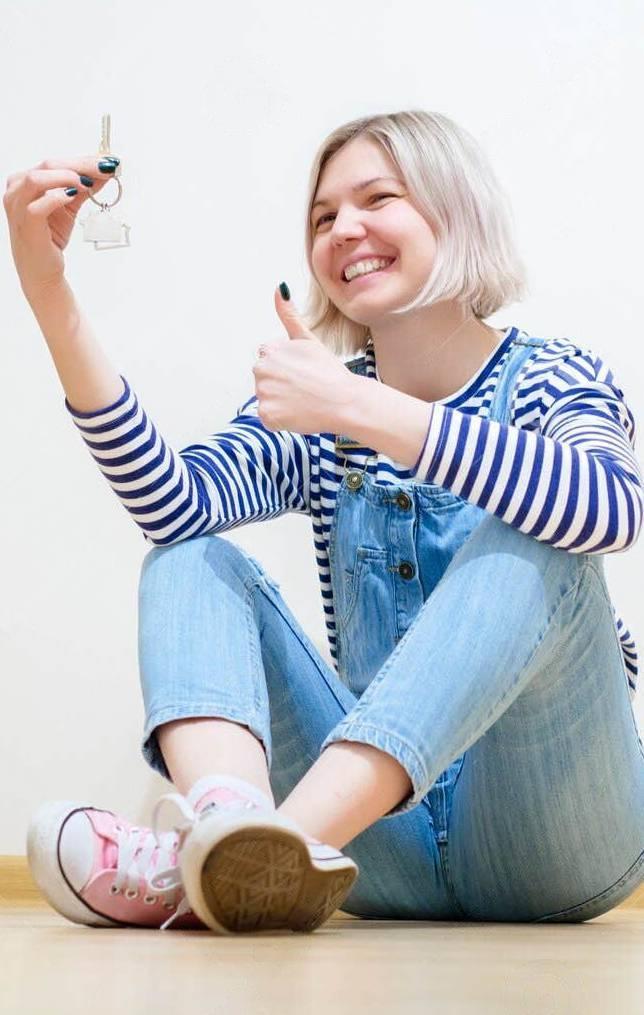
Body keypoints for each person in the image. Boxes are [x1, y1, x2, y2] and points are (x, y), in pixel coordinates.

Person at [6, 110, 644, 935]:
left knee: (540, 531)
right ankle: (234, 834)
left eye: (378, 197)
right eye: (322, 216)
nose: (345, 229)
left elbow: (610, 506)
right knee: (185, 553)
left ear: (457, 213)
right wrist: (48, 293)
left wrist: (362, 406)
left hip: (555, 836)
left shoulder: (552, 377)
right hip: (373, 851)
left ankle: (238, 853)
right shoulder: (320, 406)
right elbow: (170, 503)